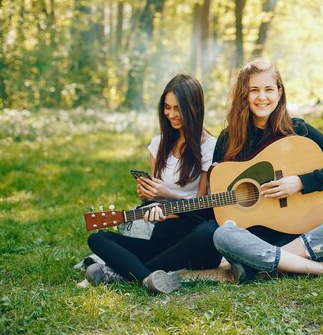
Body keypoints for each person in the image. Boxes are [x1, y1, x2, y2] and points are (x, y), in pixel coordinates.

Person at [211, 58, 323, 284]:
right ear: (244, 95)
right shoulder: (228, 139)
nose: (262, 97)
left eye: (269, 89)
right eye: (254, 90)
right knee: (222, 235)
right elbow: (218, 195)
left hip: (299, 234)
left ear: (279, 92)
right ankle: (322, 268)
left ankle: (265, 264)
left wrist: (300, 182)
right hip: (252, 239)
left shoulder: (297, 129)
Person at [86, 74, 222, 294]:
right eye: (167, 108)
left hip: (194, 238)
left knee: (210, 231)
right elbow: (154, 199)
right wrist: (147, 199)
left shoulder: (211, 147)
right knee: (98, 238)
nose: (171, 114)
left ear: (194, 108)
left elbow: (205, 209)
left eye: (178, 108)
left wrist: (168, 195)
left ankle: (121, 274)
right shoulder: (158, 145)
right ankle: (147, 279)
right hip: (163, 235)